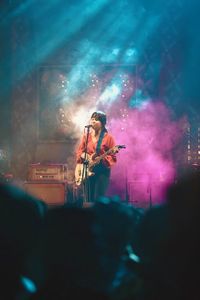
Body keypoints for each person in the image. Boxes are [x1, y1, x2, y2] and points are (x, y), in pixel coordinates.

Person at [75, 111, 117, 203]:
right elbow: (79, 151)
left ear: (102, 123)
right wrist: (83, 155)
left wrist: (102, 160)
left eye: (96, 120)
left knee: (99, 198)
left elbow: (112, 157)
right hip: (87, 170)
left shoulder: (108, 138)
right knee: (87, 198)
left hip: (102, 171)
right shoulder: (86, 137)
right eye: (92, 120)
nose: (93, 122)